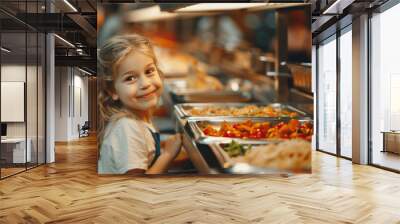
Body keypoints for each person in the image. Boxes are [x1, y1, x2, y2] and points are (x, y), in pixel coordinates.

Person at [97, 34, 182, 175]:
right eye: (130, 78)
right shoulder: (127, 128)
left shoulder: (137, 119)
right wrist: (168, 155)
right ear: (112, 90)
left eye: (149, 71)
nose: (145, 84)